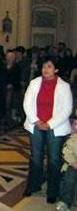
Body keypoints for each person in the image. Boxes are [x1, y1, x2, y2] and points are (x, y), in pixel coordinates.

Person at [23, 57, 73, 204]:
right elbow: (27, 103)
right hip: (36, 124)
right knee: (35, 157)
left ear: (56, 70)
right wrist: (35, 120)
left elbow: (67, 109)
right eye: (44, 66)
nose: (46, 69)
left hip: (55, 126)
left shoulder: (64, 86)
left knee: (54, 159)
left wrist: (50, 124)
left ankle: (52, 191)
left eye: (49, 67)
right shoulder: (34, 83)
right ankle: (33, 185)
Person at [55, 120, 77, 211]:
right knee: (69, 179)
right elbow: (66, 152)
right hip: (73, 165)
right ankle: (65, 201)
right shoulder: (72, 139)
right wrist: (73, 162)